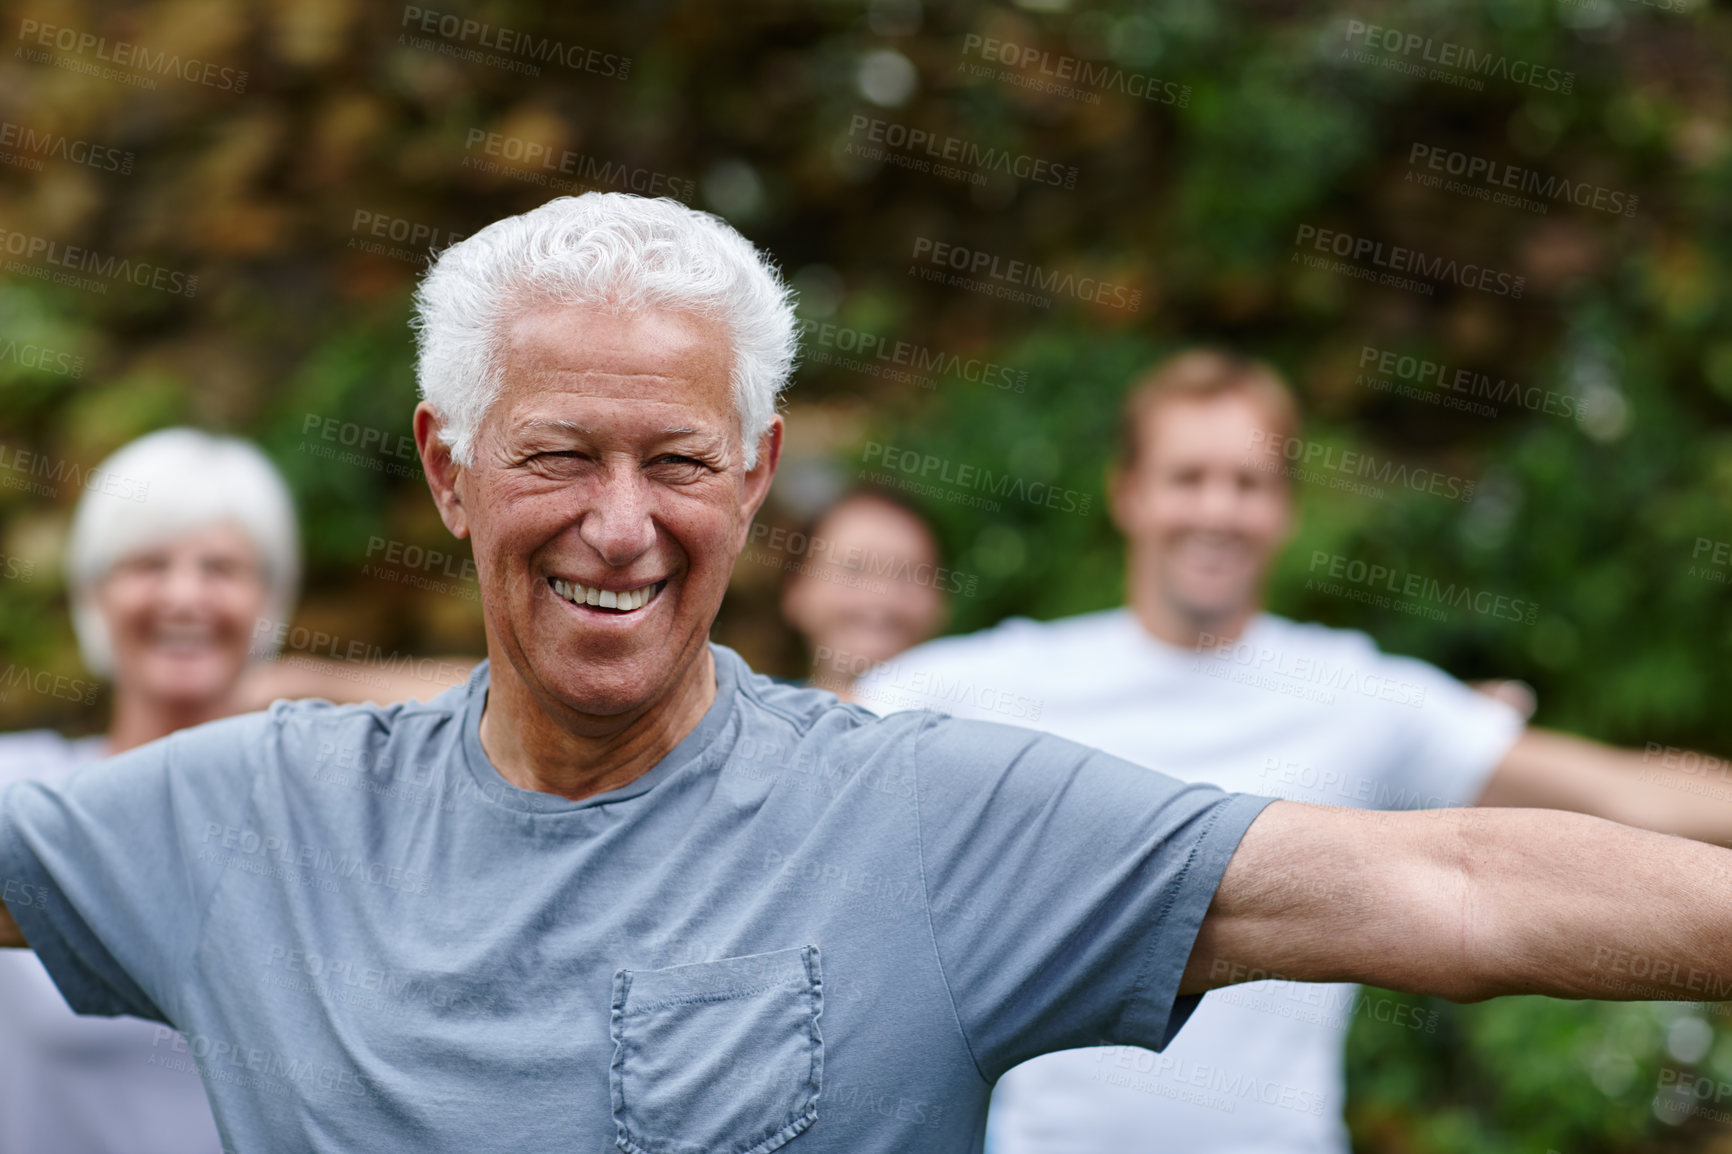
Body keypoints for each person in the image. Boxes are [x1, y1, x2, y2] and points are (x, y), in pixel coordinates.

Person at [2, 195, 1732, 1154]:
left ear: (756, 479)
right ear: (449, 470)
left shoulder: (934, 810)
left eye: (678, 459)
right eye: (556, 456)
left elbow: (1444, 876)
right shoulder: (253, 820)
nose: (620, 524)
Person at [853, 347, 1732, 1154]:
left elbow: (1620, 793)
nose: (1217, 509)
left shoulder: (1359, 695)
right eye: (1187, 476)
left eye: (1248, 482)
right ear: (1128, 492)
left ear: (1284, 506)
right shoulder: (997, 683)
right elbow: (788, 745)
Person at [0, 428, 470, 1154]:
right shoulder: (23, 784)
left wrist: (307, 683)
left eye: (221, 568)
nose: (184, 594)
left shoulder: (324, 819)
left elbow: (518, 713)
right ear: (94, 594)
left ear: (269, 600)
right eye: (147, 563)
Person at [778, 486, 949, 700]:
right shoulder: (747, 723)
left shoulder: (982, 724)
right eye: (854, 569)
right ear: (796, 590)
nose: (882, 599)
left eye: (909, 575)